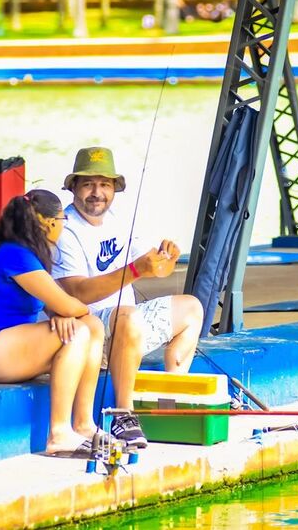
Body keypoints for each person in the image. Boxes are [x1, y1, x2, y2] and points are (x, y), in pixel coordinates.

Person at [52, 147, 204, 449]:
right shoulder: (66, 230)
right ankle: (124, 414)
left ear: (115, 189)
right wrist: (136, 270)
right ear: (73, 188)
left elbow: (155, 268)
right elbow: (77, 292)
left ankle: (169, 398)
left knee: (191, 308)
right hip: (90, 334)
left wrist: (166, 258)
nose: (98, 193)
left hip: (127, 329)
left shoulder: (119, 221)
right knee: (128, 314)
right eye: (88, 184)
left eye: (105, 185)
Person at [0, 189, 105, 457]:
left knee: (93, 327)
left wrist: (63, 313)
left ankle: (84, 423)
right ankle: (58, 434)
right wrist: (67, 312)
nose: (64, 227)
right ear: (50, 223)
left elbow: (56, 305)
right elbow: (69, 305)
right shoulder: (14, 255)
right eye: (63, 220)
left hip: (4, 347)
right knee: (78, 332)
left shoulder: (26, 255)